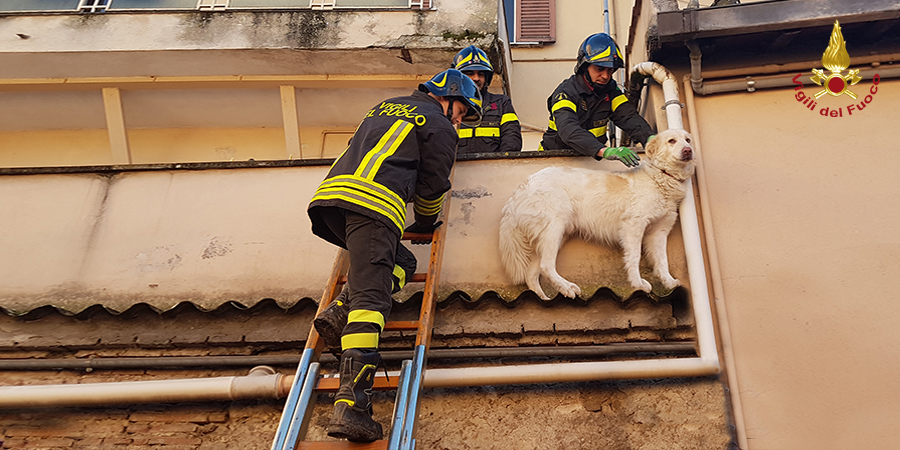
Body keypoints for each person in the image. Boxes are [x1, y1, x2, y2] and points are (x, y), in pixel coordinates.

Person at [307, 69, 482, 442]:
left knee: (403, 263)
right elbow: (434, 184)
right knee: (371, 302)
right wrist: (427, 220)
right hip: (375, 206)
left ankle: (340, 309)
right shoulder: (439, 125)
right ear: (449, 96)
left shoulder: (384, 107)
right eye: (462, 111)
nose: (460, 119)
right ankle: (352, 406)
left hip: (333, 203)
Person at [539, 33, 655, 167]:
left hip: (590, 161)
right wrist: (605, 151)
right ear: (584, 67)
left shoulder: (611, 91)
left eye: (610, 70)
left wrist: (652, 140)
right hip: (554, 161)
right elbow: (568, 130)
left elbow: (629, 117)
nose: (606, 76)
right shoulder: (565, 92)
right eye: (599, 69)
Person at [452, 45, 523, 154]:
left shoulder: (501, 103)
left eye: (481, 74)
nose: (476, 78)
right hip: (457, 169)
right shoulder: (448, 104)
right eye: (470, 73)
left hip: (493, 168)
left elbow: (512, 137)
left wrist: (503, 164)